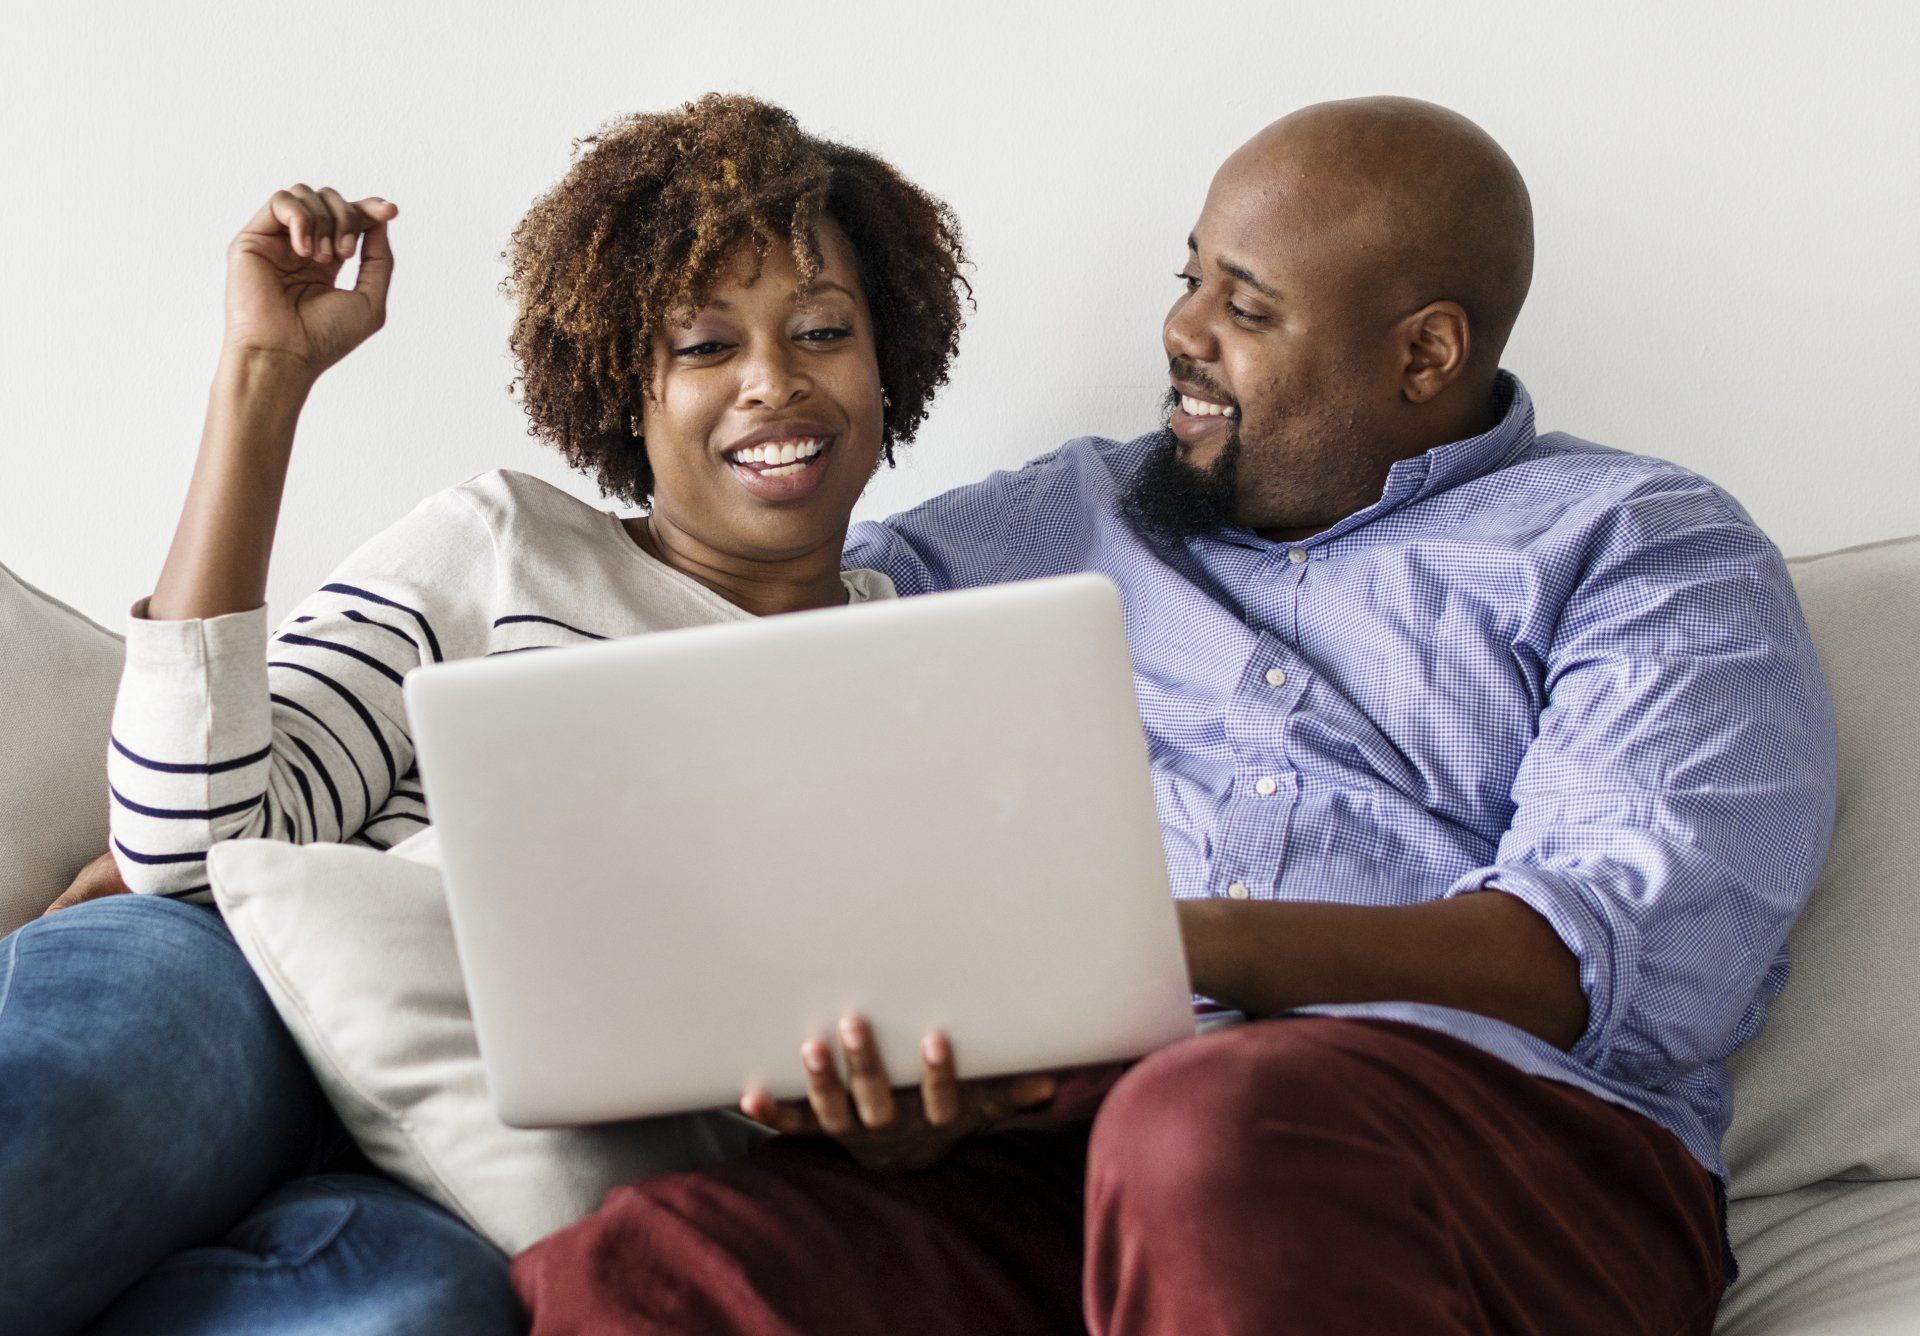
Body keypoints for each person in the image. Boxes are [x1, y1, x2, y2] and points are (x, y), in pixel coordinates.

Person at [511, 97, 1839, 1335]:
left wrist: (1149, 952)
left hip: (1514, 1157)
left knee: (1211, 1120)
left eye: (1245, 308)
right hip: (1066, 1151)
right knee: (654, 1261)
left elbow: (1596, 964)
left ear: (1424, 353)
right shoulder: (1049, 522)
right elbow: (753, 647)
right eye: (1188, 277)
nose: (1183, 332)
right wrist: (906, 1077)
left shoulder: (1643, 546)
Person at [0, 93, 969, 1336]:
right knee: (55, 1132)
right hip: (234, 993)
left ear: (891, 356)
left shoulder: (925, 676)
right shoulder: (506, 543)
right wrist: (265, 377)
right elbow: (185, 848)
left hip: (468, 1165)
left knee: (417, 1317)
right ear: (628, 388)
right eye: (707, 345)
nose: (772, 384)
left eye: (822, 330)